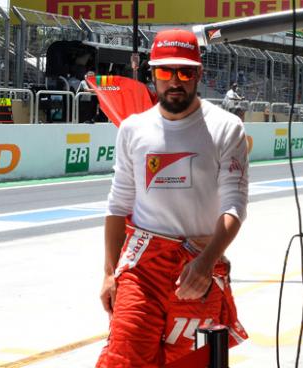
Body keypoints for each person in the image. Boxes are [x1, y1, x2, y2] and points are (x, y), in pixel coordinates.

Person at [97, 29, 249, 367]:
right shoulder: (132, 129)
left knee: (189, 364)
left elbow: (234, 206)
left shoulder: (227, 128)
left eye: (185, 72)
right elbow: (117, 205)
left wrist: (206, 263)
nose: (175, 81)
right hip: (142, 270)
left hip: (197, 266)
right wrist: (109, 274)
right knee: (124, 361)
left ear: (199, 74)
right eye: (166, 72)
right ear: (152, 74)